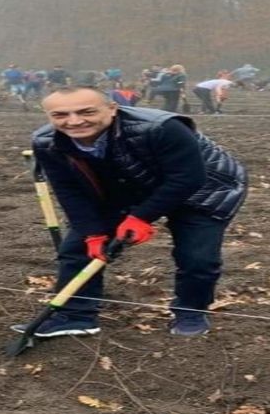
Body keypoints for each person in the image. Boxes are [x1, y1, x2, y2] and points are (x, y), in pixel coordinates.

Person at [13, 86, 247, 337]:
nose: (74, 121)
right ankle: (76, 316)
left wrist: (140, 217)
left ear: (113, 109)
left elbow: (188, 178)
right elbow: (70, 190)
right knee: (77, 248)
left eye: (86, 112)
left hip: (205, 188)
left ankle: (190, 312)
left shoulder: (162, 127)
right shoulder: (46, 142)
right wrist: (92, 233)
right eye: (60, 115)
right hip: (127, 185)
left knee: (197, 256)